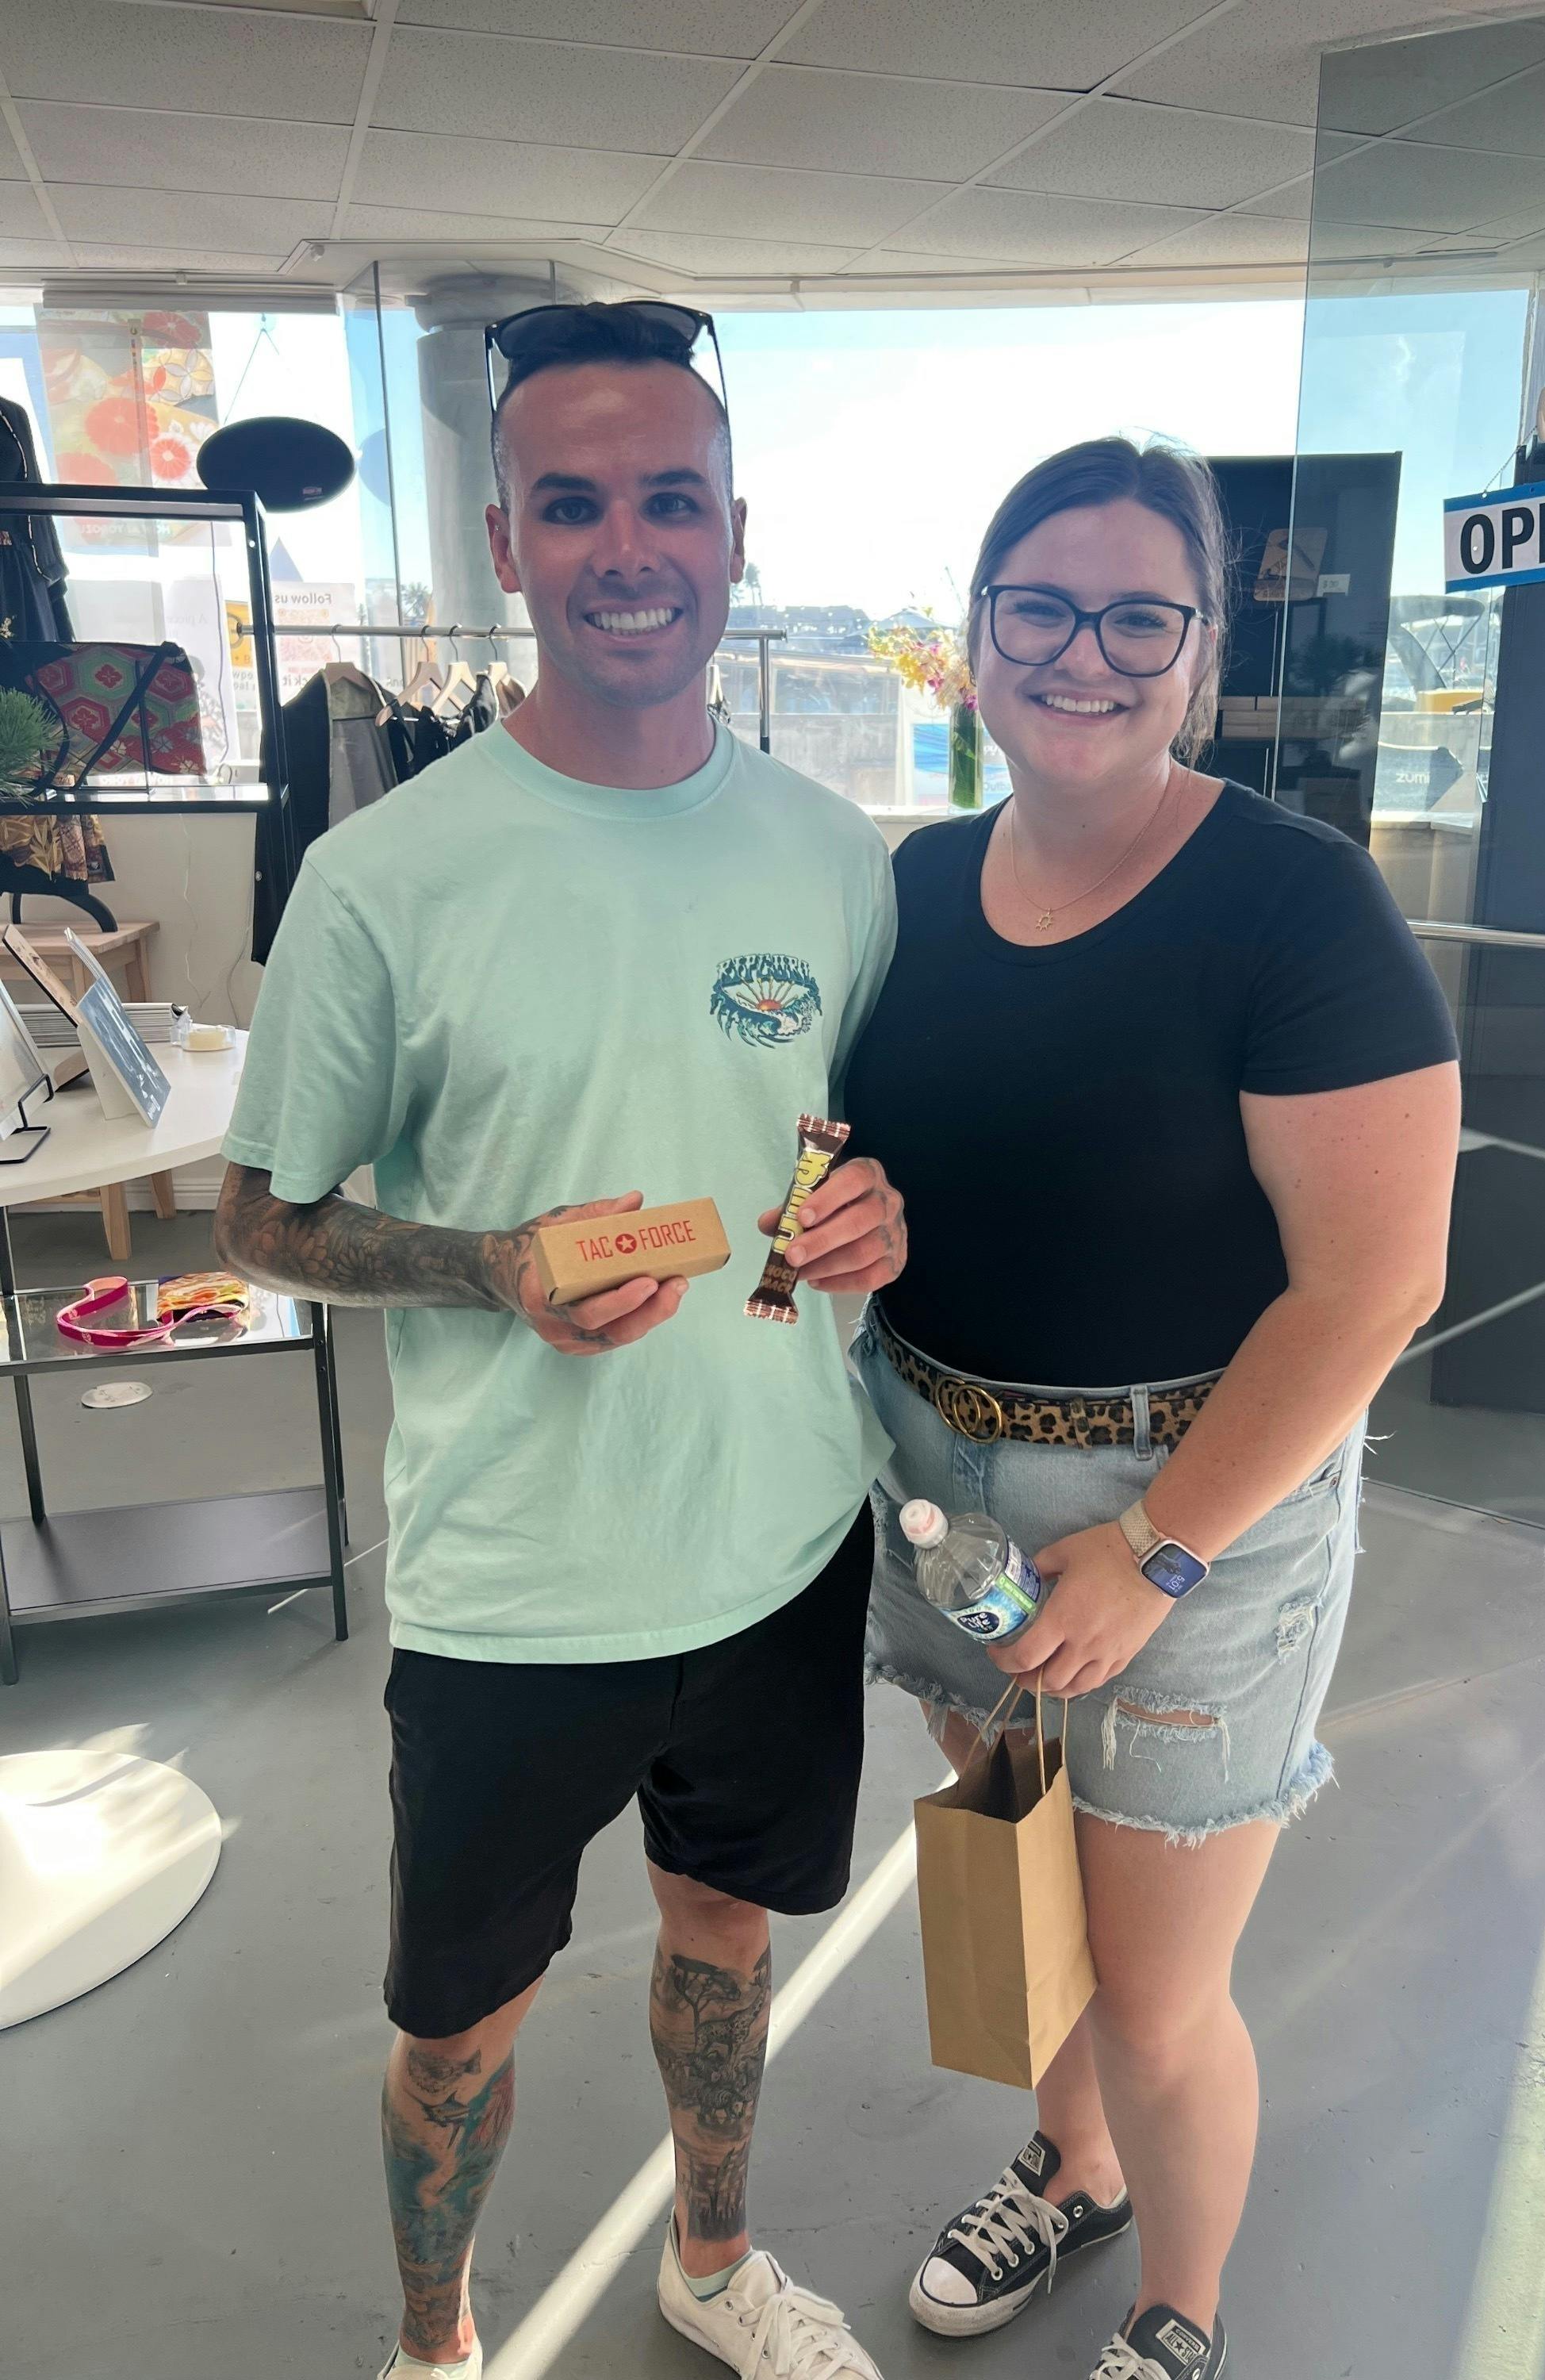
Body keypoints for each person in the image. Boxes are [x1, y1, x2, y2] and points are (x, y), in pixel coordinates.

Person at [214, 301, 908, 2380]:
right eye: (575, 503)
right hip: (519, 1584)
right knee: (460, 2022)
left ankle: (712, 2259)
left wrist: (873, 1223)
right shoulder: (382, 878)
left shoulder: (832, 857)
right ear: (508, 540)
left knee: (727, 1931)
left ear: (734, 532)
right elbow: (261, 1218)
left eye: (671, 499)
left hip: (780, 1540)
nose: (630, 547)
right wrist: (490, 1267)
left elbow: (832, 1154)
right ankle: (436, 2347)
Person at [842, 437, 1461, 2380]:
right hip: (938, 1475)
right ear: (975, 634)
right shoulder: (915, 888)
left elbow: (1375, 1286)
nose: (1083, 655)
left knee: (1157, 1987)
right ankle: (1076, 2166)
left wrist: (1161, 1545)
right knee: (1024, 1879)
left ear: (1200, 654)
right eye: (1041, 607)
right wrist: (843, 1221)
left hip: (1189, 1500)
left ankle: (1181, 2314)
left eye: (1139, 619)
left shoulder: (1296, 906)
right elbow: (879, 1161)